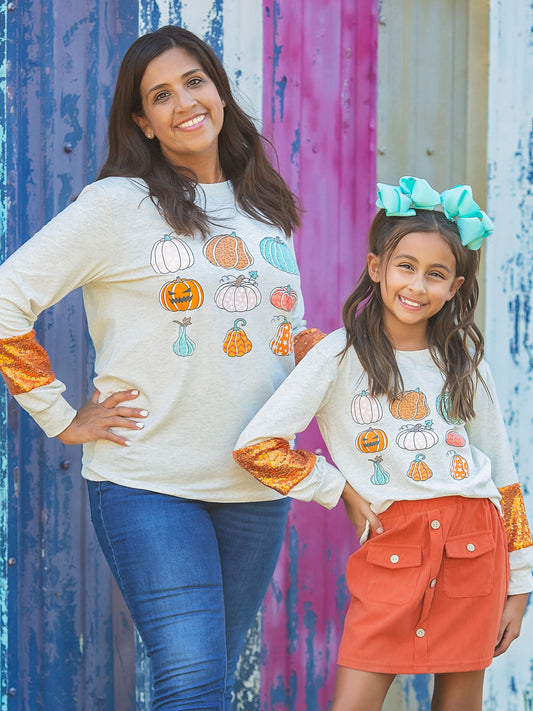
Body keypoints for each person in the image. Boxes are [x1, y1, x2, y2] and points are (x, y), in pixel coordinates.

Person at [0, 25, 325, 710]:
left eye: (195, 81)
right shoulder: (118, 206)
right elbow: (8, 298)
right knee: (192, 683)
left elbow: (281, 334)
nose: (184, 102)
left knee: (203, 682)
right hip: (149, 482)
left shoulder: (264, 208)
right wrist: (60, 414)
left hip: (253, 487)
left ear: (218, 90)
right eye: (161, 95)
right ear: (142, 122)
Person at [234, 176, 533, 711]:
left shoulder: (466, 365)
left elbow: (505, 478)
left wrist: (521, 586)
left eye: (436, 274)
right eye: (406, 267)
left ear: (455, 288)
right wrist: (339, 489)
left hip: (476, 546)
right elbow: (257, 446)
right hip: (394, 545)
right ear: (378, 269)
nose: (418, 285)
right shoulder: (337, 357)